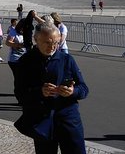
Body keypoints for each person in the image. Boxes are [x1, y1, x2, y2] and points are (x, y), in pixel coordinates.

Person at [14, 24, 89, 153]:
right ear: (36, 39)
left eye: (56, 42)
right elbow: (20, 94)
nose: (52, 46)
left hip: (68, 118)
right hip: (41, 118)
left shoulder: (66, 59)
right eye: (47, 42)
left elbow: (84, 89)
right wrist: (40, 92)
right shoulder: (25, 62)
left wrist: (72, 91)